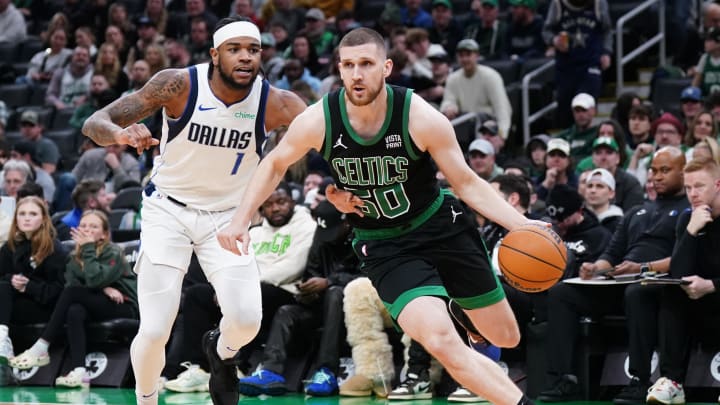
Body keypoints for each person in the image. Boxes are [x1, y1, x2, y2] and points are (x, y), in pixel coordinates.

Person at [218, 27, 540, 405]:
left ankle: (458, 307)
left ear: (386, 67)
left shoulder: (420, 116)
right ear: (339, 70)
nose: (357, 74)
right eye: (349, 65)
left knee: (506, 337)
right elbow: (274, 164)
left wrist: (522, 225)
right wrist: (241, 218)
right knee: (441, 342)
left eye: (367, 64)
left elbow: (467, 182)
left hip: (442, 228)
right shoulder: (320, 119)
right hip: (387, 247)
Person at [81, 17, 313, 405]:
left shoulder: (277, 102)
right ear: (214, 54)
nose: (245, 58)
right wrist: (121, 134)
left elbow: (330, 133)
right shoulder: (178, 84)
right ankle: (146, 399)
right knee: (155, 330)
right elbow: (94, 122)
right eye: (234, 49)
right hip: (167, 211)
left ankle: (220, 354)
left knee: (246, 321)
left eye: (253, 50)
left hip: (228, 215)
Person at [8, 210, 138, 388]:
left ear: (105, 233)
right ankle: (79, 371)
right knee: (74, 310)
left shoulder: (113, 251)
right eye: (83, 226)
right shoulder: (73, 257)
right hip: (95, 301)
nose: (87, 229)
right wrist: (104, 287)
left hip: (123, 304)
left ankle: (41, 346)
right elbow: (72, 285)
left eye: (93, 226)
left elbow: (94, 279)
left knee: (72, 294)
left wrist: (89, 250)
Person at [647, 157, 720, 404]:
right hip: (701, 306)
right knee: (671, 291)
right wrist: (691, 231)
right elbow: (678, 272)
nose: (693, 194)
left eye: (699, 186)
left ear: (718, 185)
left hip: (716, 293)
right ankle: (672, 382)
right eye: (688, 188)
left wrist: (710, 286)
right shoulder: (688, 218)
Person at [0, 196, 66, 363]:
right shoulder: (11, 245)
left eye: (32, 214)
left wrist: (29, 287)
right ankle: (2, 339)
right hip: (12, 304)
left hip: (43, 307)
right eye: (22, 214)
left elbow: (59, 292)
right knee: (4, 285)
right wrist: (12, 279)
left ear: (43, 218)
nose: (26, 218)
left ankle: (2, 340)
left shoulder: (55, 249)